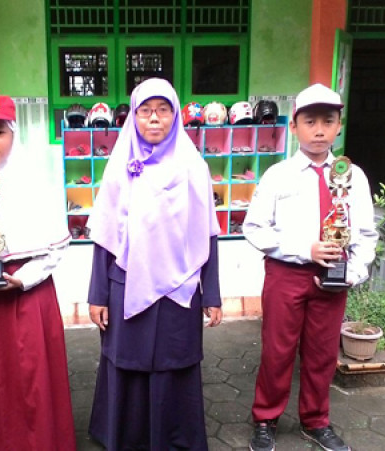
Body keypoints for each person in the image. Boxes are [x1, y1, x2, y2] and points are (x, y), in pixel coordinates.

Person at [86, 77, 223, 450]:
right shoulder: (120, 167)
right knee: (126, 360)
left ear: (175, 116)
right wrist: (97, 295)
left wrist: (212, 294)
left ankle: (173, 439)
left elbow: (208, 233)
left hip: (180, 289)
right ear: (133, 116)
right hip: (126, 284)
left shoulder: (194, 167)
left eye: (163, 110)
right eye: (145, 110)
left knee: (174, 361)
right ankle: (126, 437)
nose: (154, 118)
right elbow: (104, 237)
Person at [242, 83, 378, 451]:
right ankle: (265, 418)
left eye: (328, 121)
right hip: (286, 276)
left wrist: (353, 272)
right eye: (310, 121)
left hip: (334, 278)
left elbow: (366, 232)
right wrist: (305, 250)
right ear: (294, 126)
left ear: (339, 126)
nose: (319, 130)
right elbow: (254, 228)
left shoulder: (353, 176)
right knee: (277, 351)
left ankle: (316, 420)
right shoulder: (278, 175)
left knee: (322, 353)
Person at [0, 91, 75, 450]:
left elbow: (57, 247)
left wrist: (23, 279)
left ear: (13, 134)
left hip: (27, 291)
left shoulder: (36, 180)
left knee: (32, 374)